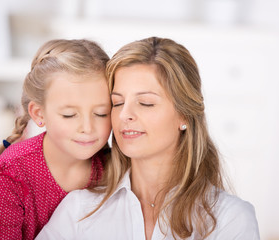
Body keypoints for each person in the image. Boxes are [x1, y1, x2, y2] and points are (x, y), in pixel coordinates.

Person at [36, 37, 260, 240]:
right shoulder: (79, 210)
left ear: (184, 115)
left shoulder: (230, 219)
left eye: (146, 103)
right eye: (117, 103)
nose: (125, 115)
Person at [0, 39, 112, 239]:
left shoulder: (113, 166)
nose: (87, 128)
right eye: (69, 115)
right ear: (38, 113)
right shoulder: (9, 176)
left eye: (102, 113)